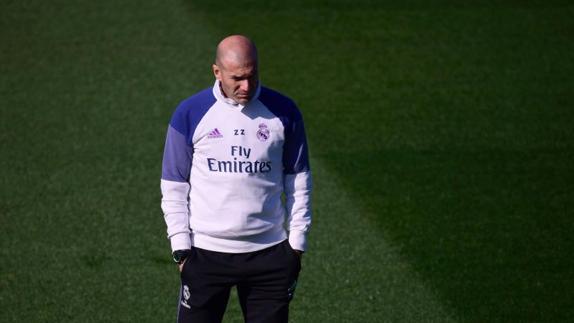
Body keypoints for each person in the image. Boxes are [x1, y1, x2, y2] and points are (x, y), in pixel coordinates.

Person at [160, 35, 312, 323]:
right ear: (217, 72)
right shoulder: (190, 113)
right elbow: (174, 184)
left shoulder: (284, 112)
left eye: (252, 77)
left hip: (269, 255)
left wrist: (296, 245)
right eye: (237, 79)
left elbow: (299, 180)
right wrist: (181, 248)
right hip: (206, 254)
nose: (246, 87)